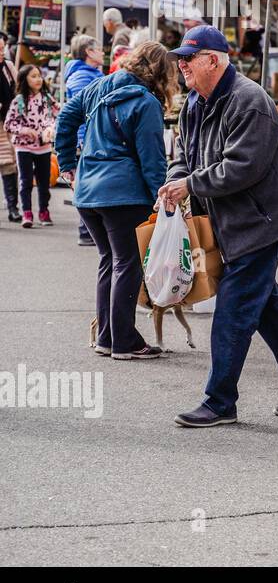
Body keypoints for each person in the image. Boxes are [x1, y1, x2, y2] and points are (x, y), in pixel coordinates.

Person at [159, 25, 278, 428]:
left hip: (262, 221)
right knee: (266, 307)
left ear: (214, 60)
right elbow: (185, 154)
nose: (182, 65)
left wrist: (191, 184)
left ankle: (220, 400)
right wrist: (176, 179)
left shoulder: (248, 99)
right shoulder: (195, 102)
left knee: (233, 311)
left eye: (190, 58)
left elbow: (243, 168)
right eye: (180, 59)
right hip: (235, 220)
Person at [55, 42, 174, 360]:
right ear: (161, 72)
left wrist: (67, 163)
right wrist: (158, 197)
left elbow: (65, 117)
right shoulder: (146, 103)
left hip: (88, 193)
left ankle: (109, 337)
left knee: (111, 261)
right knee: (126, 264)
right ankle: (123, 340)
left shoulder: (99, 86)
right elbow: (152, 158)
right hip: (123, 194)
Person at [4, 64, 59, 228]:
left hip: (44, 148)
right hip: (24, 148)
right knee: (25, 181)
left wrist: (51, 129)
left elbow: (60, 116)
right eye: (33, 76)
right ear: (24, 79)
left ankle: (44, 211)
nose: (38, 79)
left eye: (39, 76)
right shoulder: (18, 101)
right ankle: (27, 212)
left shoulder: (48, 99)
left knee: (44, 182)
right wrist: (24, 130)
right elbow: (8, 124)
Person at [64, 35, 106, 246]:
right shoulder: (82, 77)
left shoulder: (92, 74)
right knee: (86, 183)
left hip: (89, 137)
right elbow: (82, 112)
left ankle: (88, 231)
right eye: (99, 49)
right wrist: (83, 139)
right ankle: (86, 231)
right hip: (86, 138)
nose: (103, 52)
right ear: (89, 52)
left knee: (88, 182)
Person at [0, 33, 19, 222]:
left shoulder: (8, 66)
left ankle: (13, 206)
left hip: (7, 122)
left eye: (2, 49)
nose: (0, 52)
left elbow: (18, 88)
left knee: (9, 164)